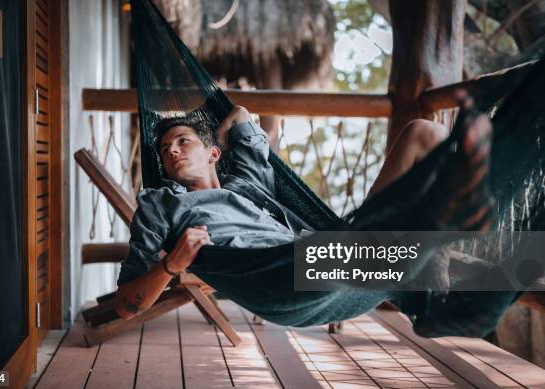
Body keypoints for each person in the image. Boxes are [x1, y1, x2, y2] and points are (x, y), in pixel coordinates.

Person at [115, 101, 523, 337]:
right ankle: (443, 240)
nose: (171, 152)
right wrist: (171, 265)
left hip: (332, 252)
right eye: (166, 149)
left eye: (182, 142)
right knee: (420, 243)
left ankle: (452, 272)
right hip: (281, 278)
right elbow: (126, 306)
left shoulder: (247, 180)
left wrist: (218, 115)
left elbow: (239, 115)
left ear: (214, 154)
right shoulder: (161, 204)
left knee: (424, 133)